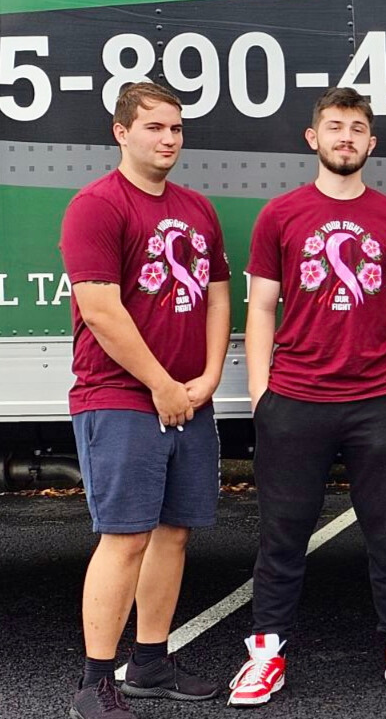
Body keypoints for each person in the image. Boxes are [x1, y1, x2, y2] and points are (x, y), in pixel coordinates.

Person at [227, 88, 386, 706]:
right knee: (282, 534)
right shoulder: (280, 215)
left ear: (371, 144)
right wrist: (263, 392)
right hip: (295, 400)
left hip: (380, 402)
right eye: (335, 127)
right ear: (312, 138)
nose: (346, 137)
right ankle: (266, 651)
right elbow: (261, 306)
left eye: (357, 129)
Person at [60, 82, 230, 719]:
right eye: (155, 127)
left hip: (187, 397)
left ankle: (152, 663)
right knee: (125, 537)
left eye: (176, 129)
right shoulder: (96, 207)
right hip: (121, 396)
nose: (168, 139)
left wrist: (210, 375)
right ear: (121, 132)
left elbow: (217, 294)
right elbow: (101, 309)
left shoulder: (198, 209)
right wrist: (160, 383)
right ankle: (94, 682)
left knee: (173, 533)